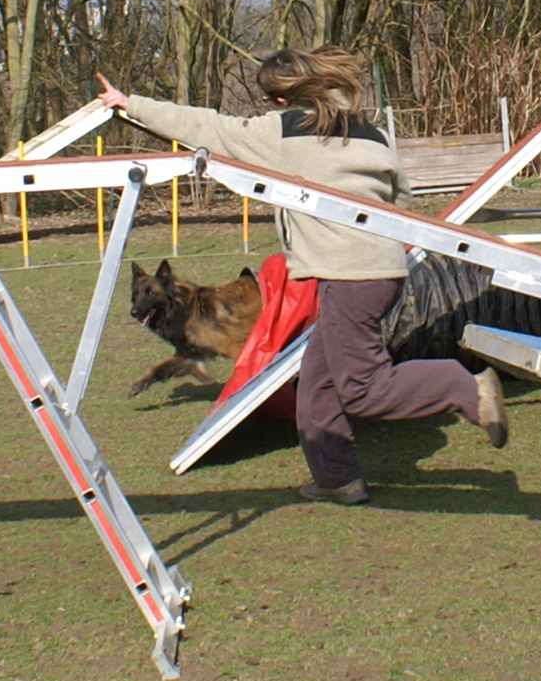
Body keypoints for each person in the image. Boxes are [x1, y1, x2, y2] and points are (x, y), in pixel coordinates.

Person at [95, 47, 507, 504]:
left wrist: (130, 104)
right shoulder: (371, 133)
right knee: (317, 382)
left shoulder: (285, 131)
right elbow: (402, 198)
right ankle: (336, 479)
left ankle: (465, 388)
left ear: (279, 100)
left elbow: (207, 126)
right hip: (382, 272)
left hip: (350, 279)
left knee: (361, 388)